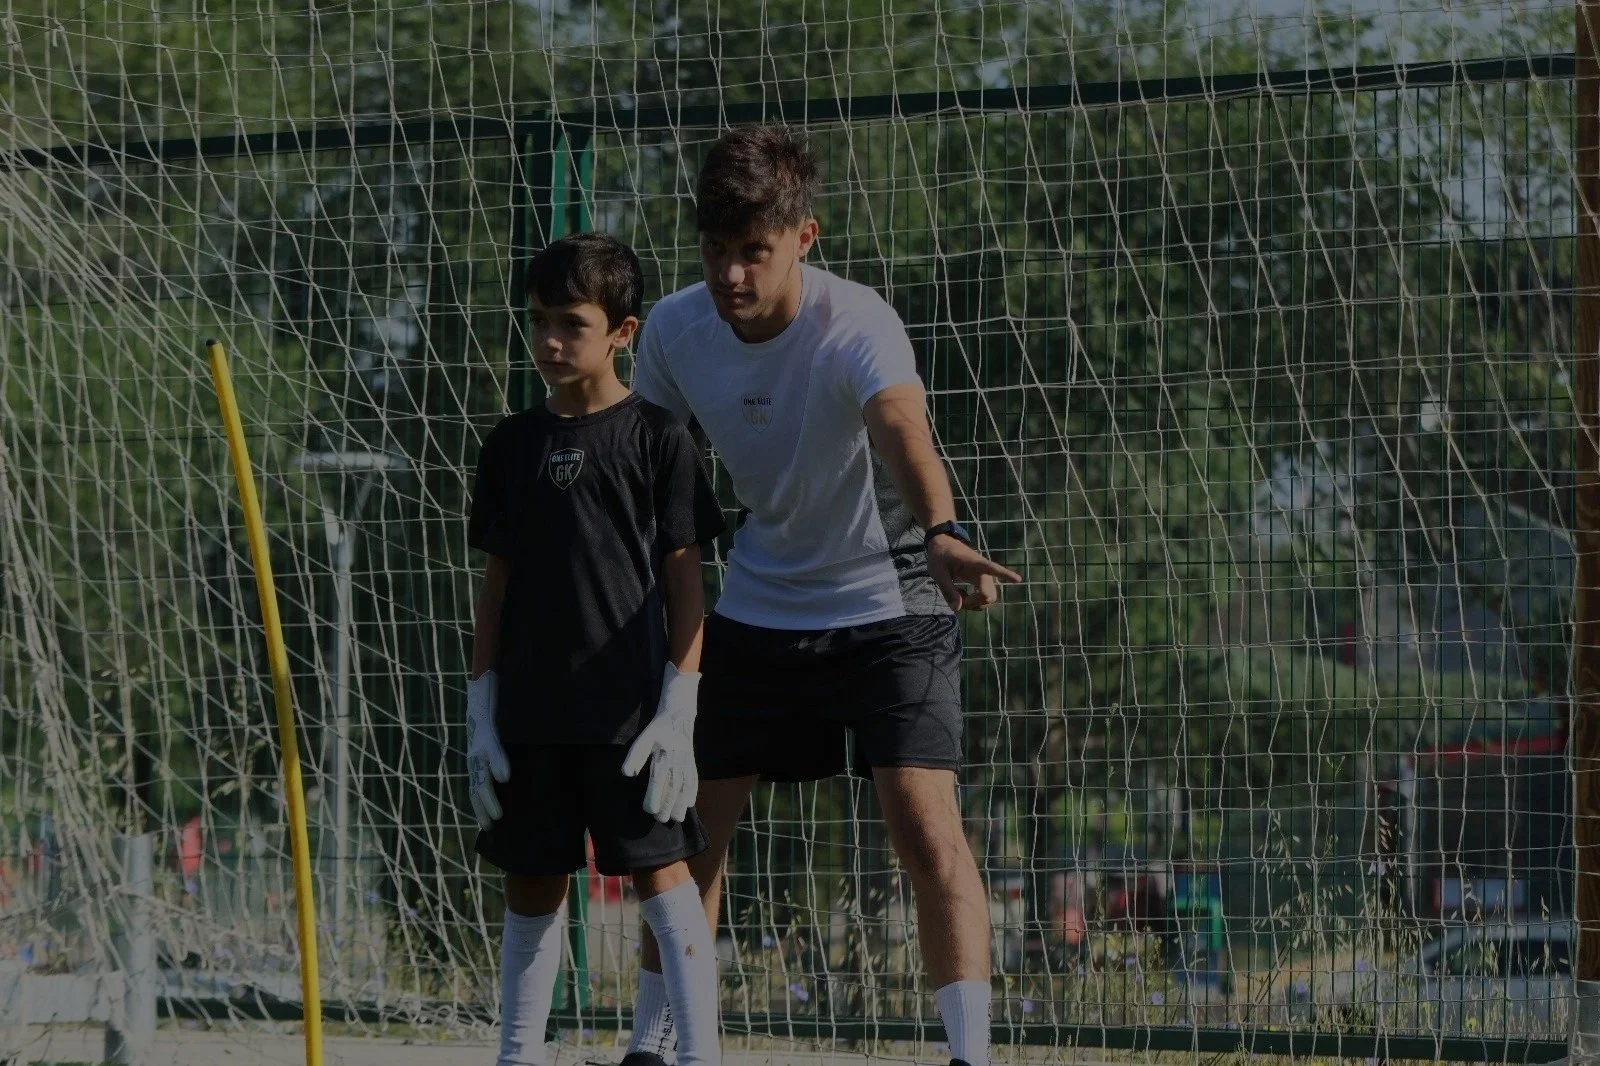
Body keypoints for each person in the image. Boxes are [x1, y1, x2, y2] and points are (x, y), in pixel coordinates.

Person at [625, 125, 1023, 1066]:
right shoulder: (678, 332)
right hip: (759, 607)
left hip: (892, 600)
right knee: (683, 831)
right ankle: (652, 1044)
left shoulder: (859, 324)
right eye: (716, 252)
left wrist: (945, 534)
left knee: (928, 829)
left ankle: (971, 1056)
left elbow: (902, 427)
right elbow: (638, 466)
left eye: (752, 253)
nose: (730, 275)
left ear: (805, 239)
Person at [464, 233, 726, 1066]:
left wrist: (679, 706)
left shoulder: (658, 439)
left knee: (666, 887)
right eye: (538, 320)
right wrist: (481, 709)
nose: (548, 340)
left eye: (570, 323)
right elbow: (496, 589)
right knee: (532, 889)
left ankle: (699, 1057)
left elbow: (688, 584)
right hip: (531, 718)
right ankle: (517, 1054)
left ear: (623, 331)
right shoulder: (509, 446)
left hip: (631, 721)